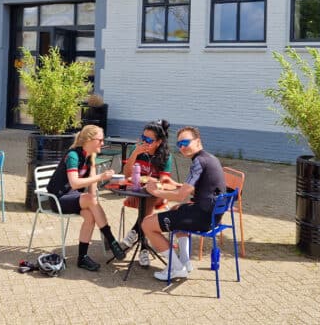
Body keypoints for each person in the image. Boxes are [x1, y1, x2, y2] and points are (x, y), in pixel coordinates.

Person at [140, 125, 226, 280]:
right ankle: (185, 261)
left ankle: (176, 267)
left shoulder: (199, 162)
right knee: (177, 209)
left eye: (185, 142)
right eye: (179, 145)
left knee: (147, 224)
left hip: (202, 218)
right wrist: (176, 185)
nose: (182, 147)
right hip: (213, 216)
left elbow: (180, 196)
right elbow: (196, 189)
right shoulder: (210, 158)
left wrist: (155, 192)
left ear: (198, 141)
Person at [45, 124, 126, 271]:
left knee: (90, 215)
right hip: (58, 198)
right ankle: (111, 239)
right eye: (100, 140)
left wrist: (97, 175)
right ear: (89, 140)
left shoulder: (90, 157)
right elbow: (75, 183)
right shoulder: (73, 156)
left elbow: (92, 191)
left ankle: (82, 258)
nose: (103, 143)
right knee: (90, 200)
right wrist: (101, 176)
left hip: (74, 197)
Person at [118, 119, 177, 266]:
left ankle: (136, 236)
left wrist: (152, 180)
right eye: (143, 138)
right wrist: (134, 154)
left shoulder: (165, 156)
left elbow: (164, 181)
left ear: (158, 142)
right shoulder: (137, 151)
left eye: (149, 140)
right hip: (137, 193)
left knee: (150, 198)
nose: (144, 142)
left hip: (156, 195)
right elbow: (126, 175)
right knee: (147, 203)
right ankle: (142, 247)